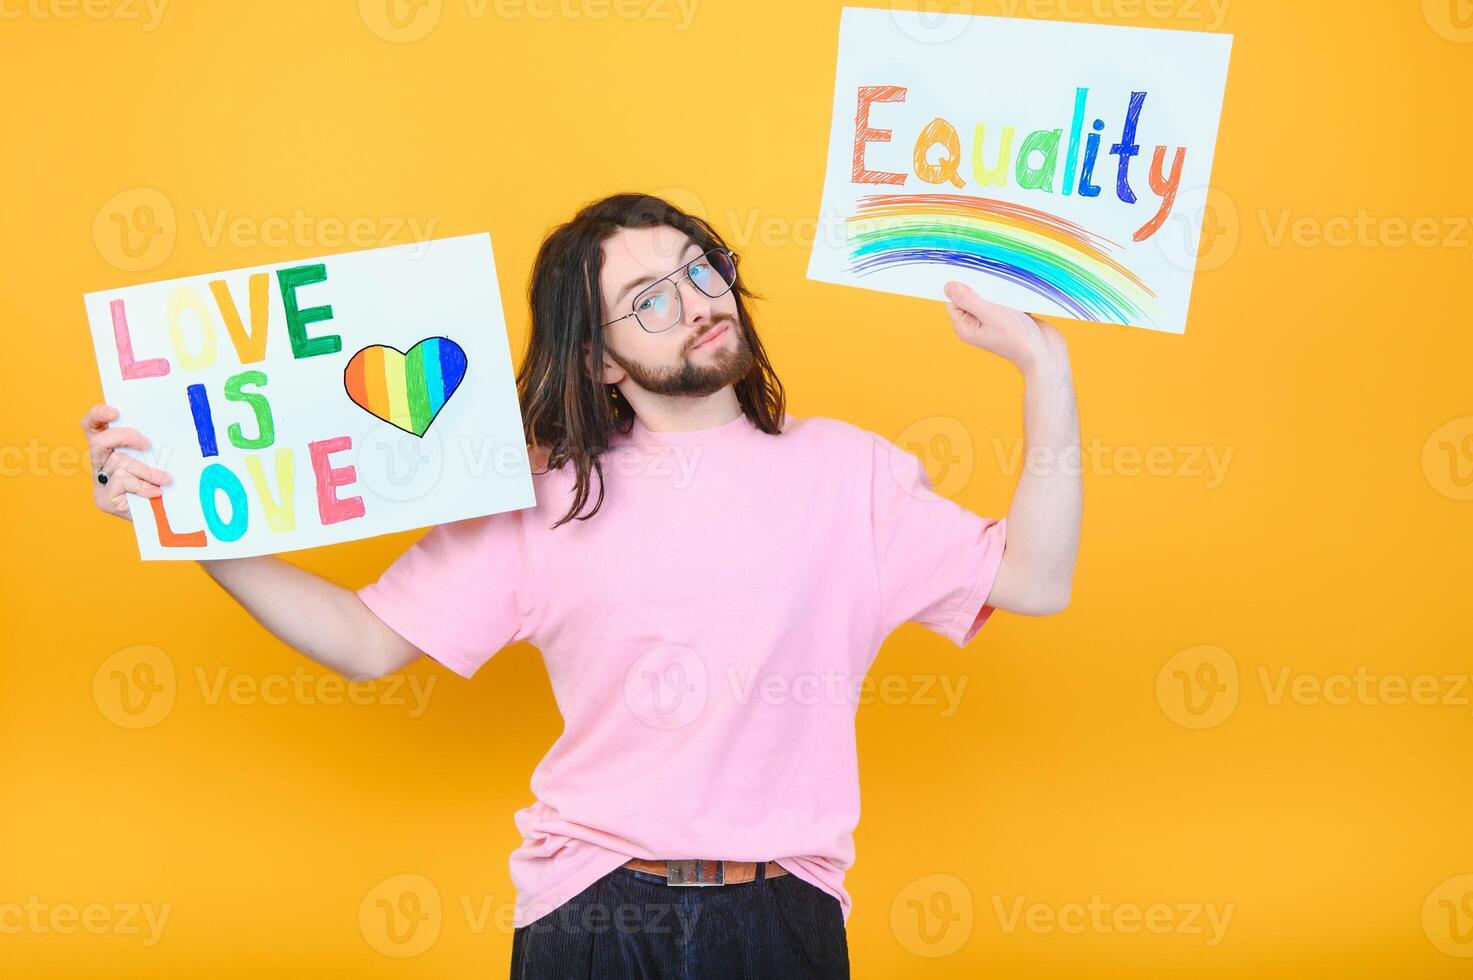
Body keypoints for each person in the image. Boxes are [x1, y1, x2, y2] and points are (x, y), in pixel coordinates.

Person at [82, 193, 1081, 979]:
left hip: (785, 916)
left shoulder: (851, 474)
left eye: (701, 269)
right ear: (602, 358)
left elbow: (1031, 579)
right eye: (651, 296)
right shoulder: (544, 493)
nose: (696, 301)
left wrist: (1046, 371)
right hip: (591, 911)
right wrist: (188, 525)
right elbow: (362, 639)